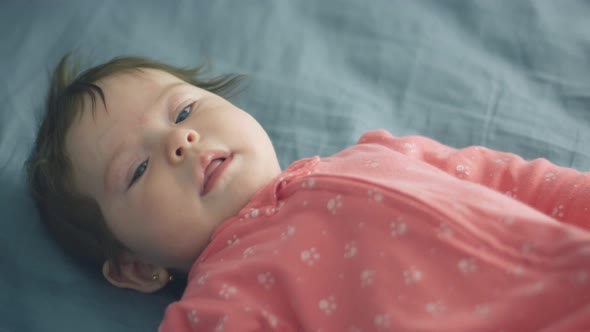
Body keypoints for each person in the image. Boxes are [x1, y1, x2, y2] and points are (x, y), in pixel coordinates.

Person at [27, 54, 590, 332]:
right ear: (134, 267)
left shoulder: (381, 151)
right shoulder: (220, 302)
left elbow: (517, 181)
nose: (180, 140)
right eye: (139, 168)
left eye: (183, 109)